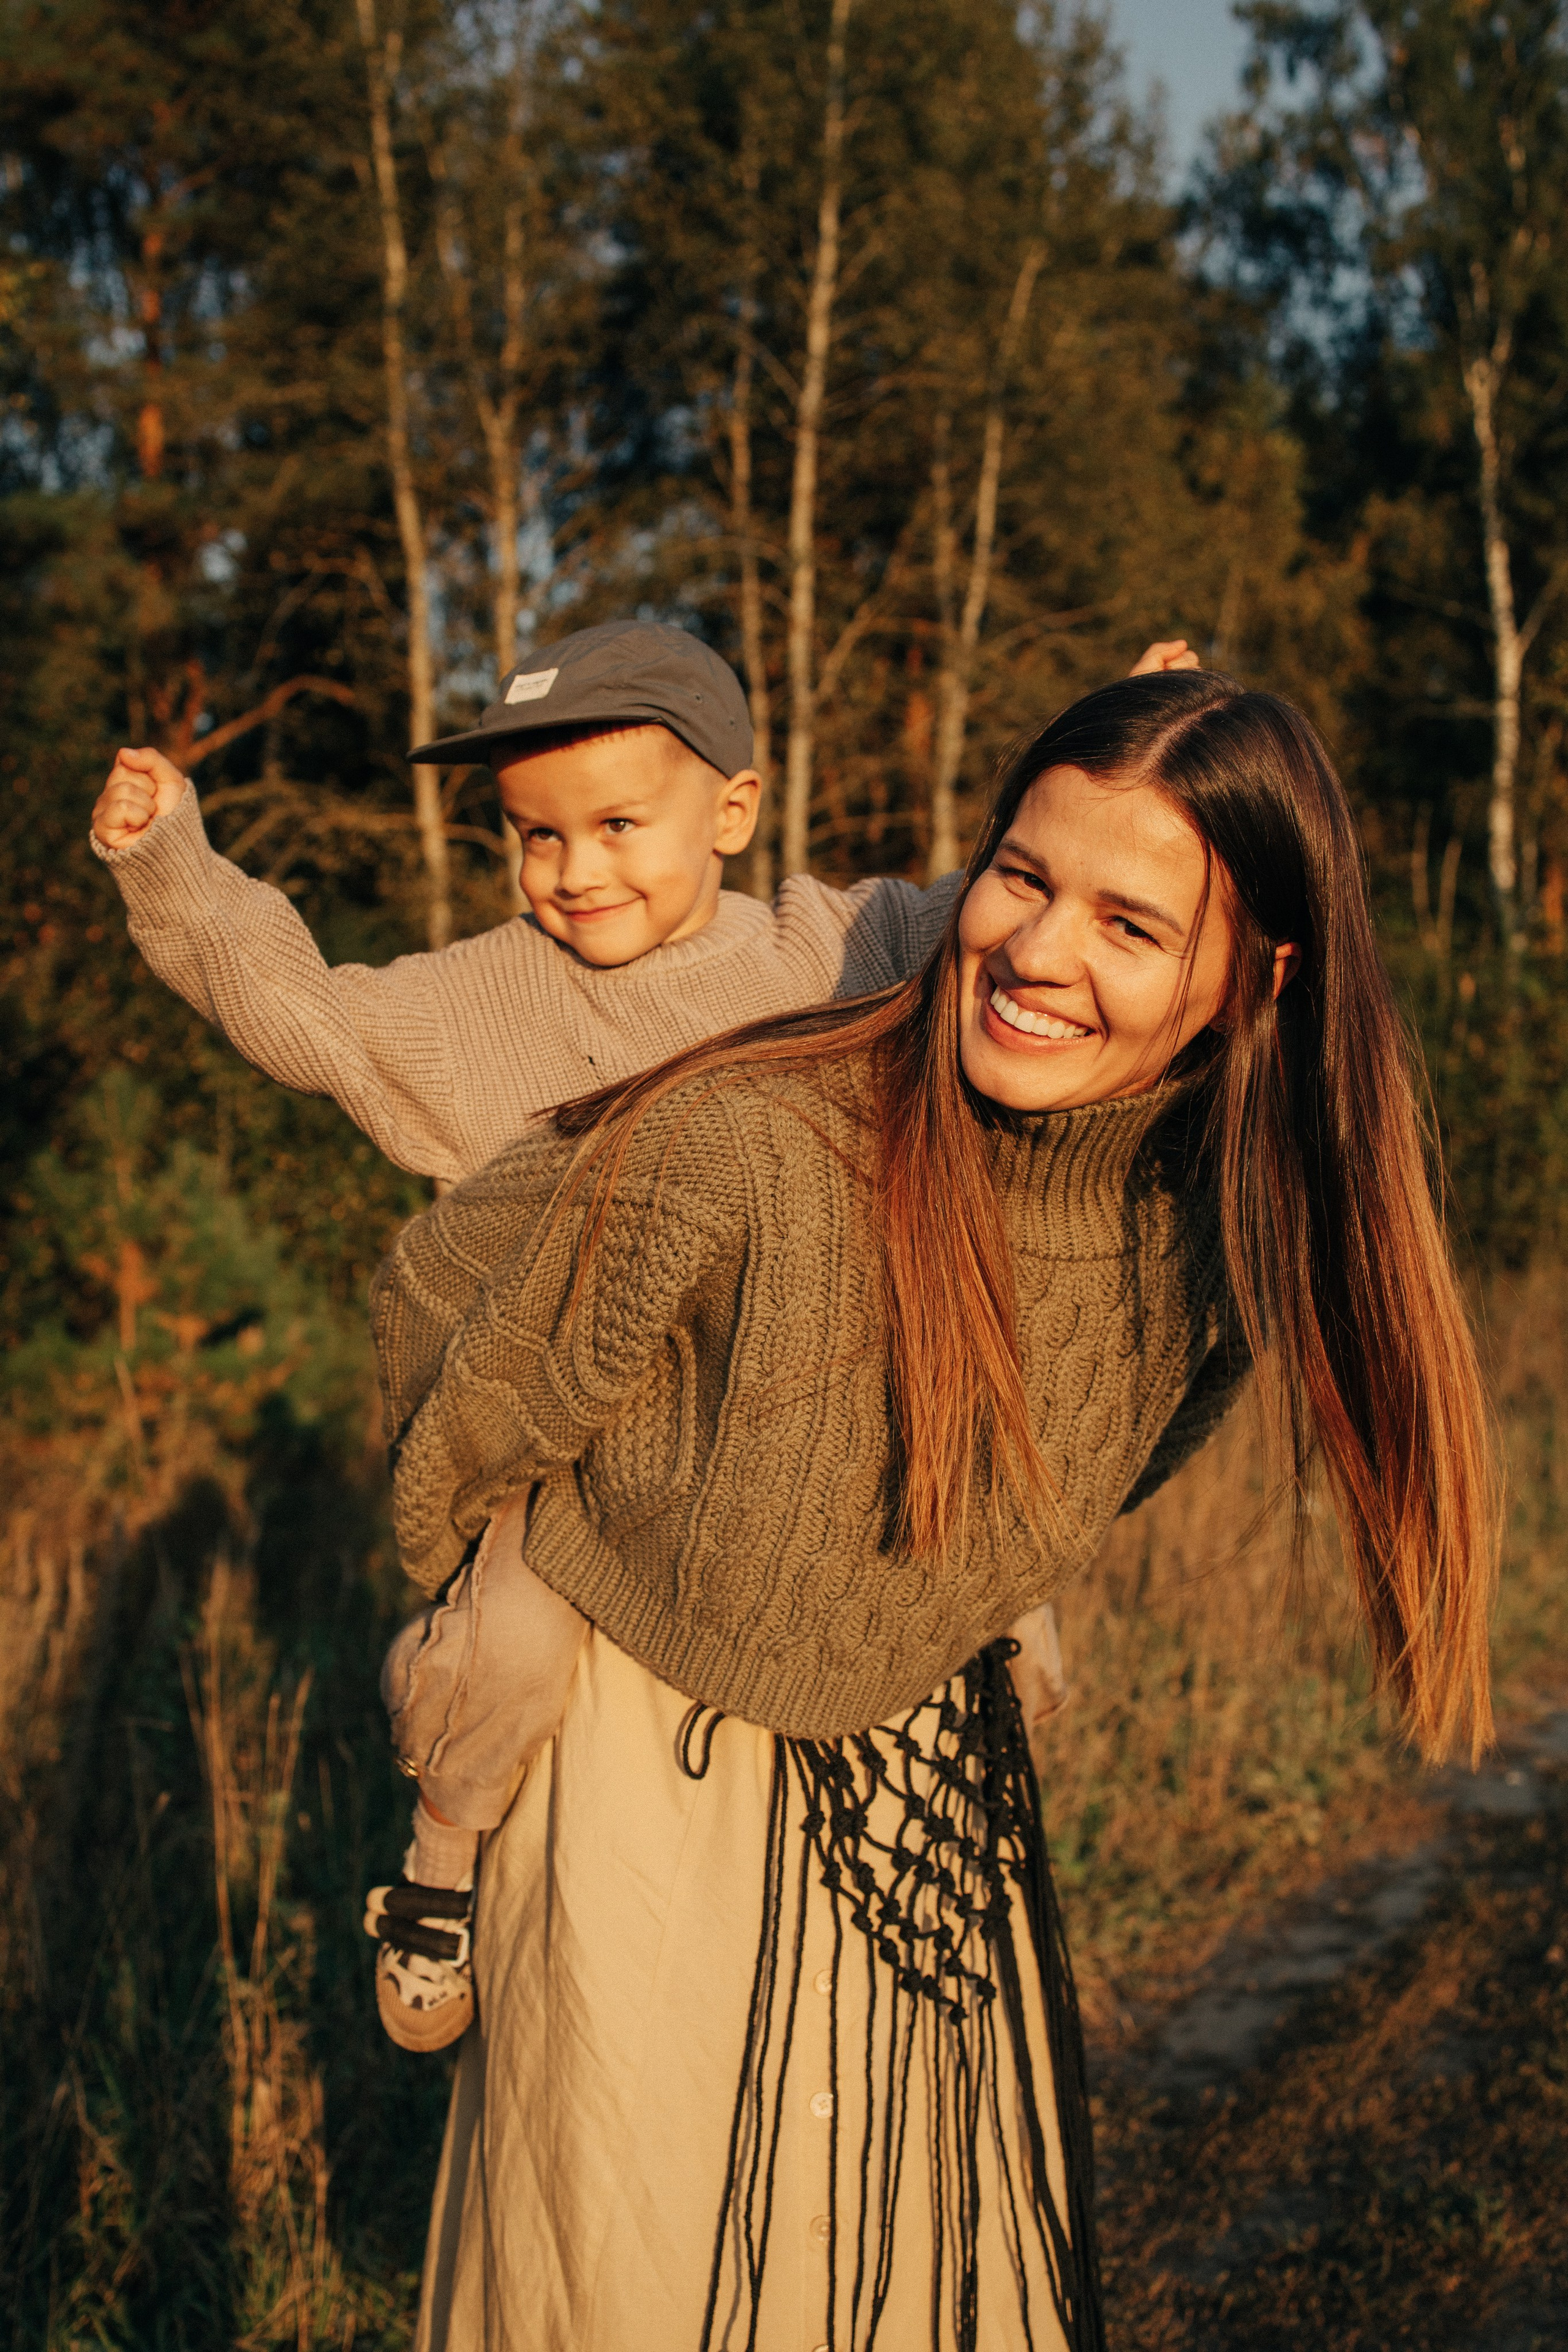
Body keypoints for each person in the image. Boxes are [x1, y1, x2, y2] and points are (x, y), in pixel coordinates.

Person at [372, 668, 1498, 2352]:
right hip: (641, 1782)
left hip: (926, 1790)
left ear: (1256, 977)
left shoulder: (1214, 1242)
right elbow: (445, 1305)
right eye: (1025, 877)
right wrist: (549, 1566)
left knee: (908, 2268)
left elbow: (1094, 1479)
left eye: (1134, 923)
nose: (1037, 951)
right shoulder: (744, 1144)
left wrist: (924, 1595)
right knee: (644, 2268)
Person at [89, 619, 1197, 2050]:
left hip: (815, 1401)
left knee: (969, 1475)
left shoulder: (834, 943)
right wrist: (175, 866)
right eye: (533, 836)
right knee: (507, 1646)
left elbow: (1013, 897)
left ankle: (993, 1650)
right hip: (595, 1450)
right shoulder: (476, 1006)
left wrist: (1144, 719)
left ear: (730, 810)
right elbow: (307, 1017)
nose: (575, 871)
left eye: (617, 824)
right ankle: (439, 1863)